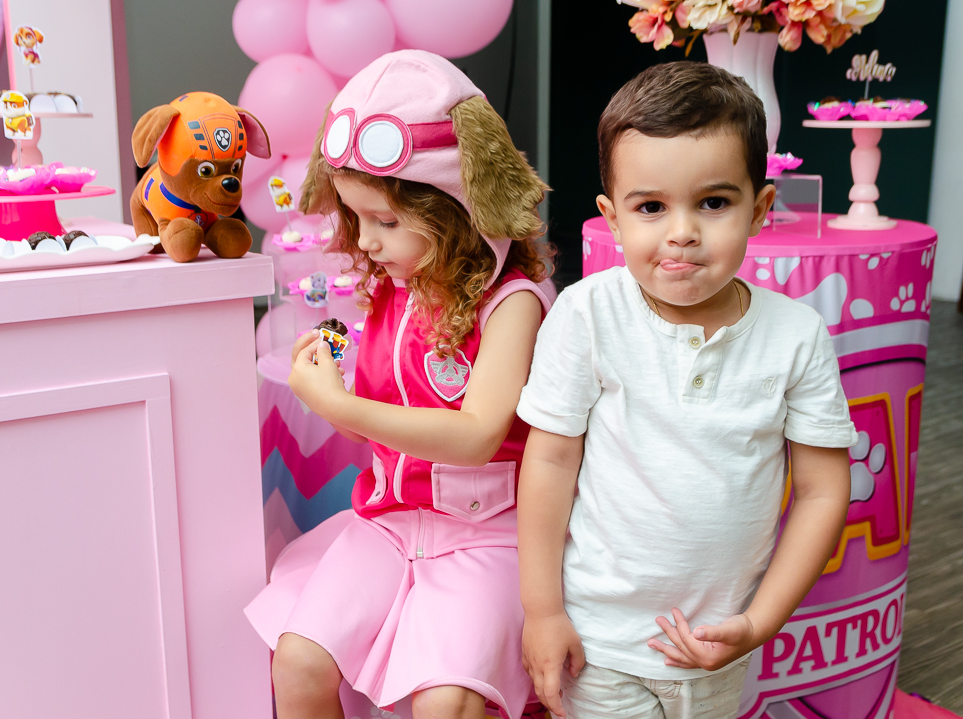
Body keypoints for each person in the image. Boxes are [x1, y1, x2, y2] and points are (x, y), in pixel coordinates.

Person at [516, 61, 857, 719]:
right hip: (600, 640)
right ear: (613, 219)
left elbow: (821, 491)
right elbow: (550, 462)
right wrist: (542, 610)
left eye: (714, 203)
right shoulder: (587, 315)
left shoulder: (797, 334)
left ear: (759, 209)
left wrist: (758, 623)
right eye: (651, 207)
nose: (682, 232)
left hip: (718, 644)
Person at [244, 50, 554, 719]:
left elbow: (475, 436)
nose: (366, 241)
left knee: (447, 702)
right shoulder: (397, 288)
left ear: (460, 210)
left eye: (386, 221)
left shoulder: (514, 304)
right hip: (389, 524)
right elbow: (381, 426)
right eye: (356, 217)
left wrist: (341, 405)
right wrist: (330, 395)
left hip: (489, 535)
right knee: (297, 660)